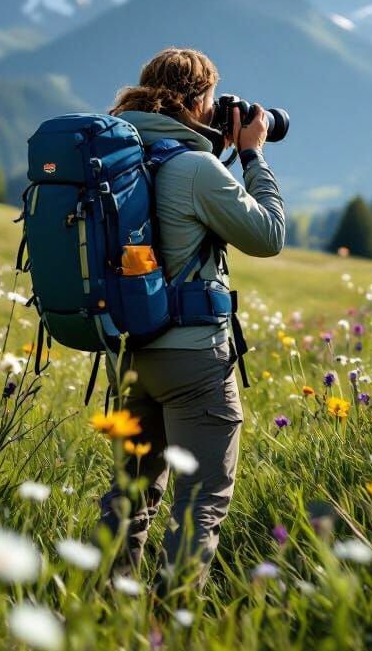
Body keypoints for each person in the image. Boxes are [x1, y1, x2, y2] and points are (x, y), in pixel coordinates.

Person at [97, 47, 285, 589]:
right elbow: (267, 236)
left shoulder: (119, 157)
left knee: (129, 495)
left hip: (132, 351)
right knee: (199, 501)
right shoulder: (195, 168)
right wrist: (252, 156)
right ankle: (171, 622)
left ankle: (106, 613)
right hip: (195, 359)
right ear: (198, 100)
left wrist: (215, 150)